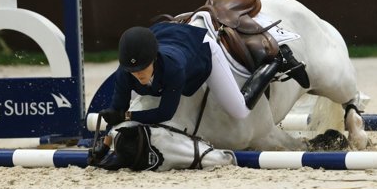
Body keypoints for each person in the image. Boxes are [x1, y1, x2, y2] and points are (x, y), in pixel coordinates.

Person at [99, 22, 267, 128]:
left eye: (143, 68)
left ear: (154, 59)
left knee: (240, 111)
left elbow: (165, 114)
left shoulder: (173, 68)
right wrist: (106, 143)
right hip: (168, 37)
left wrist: (127, 116)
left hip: (198, 46)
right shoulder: (124, 72)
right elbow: (117, 111)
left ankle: (269, 67)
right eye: (133, 71)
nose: (138, 74)